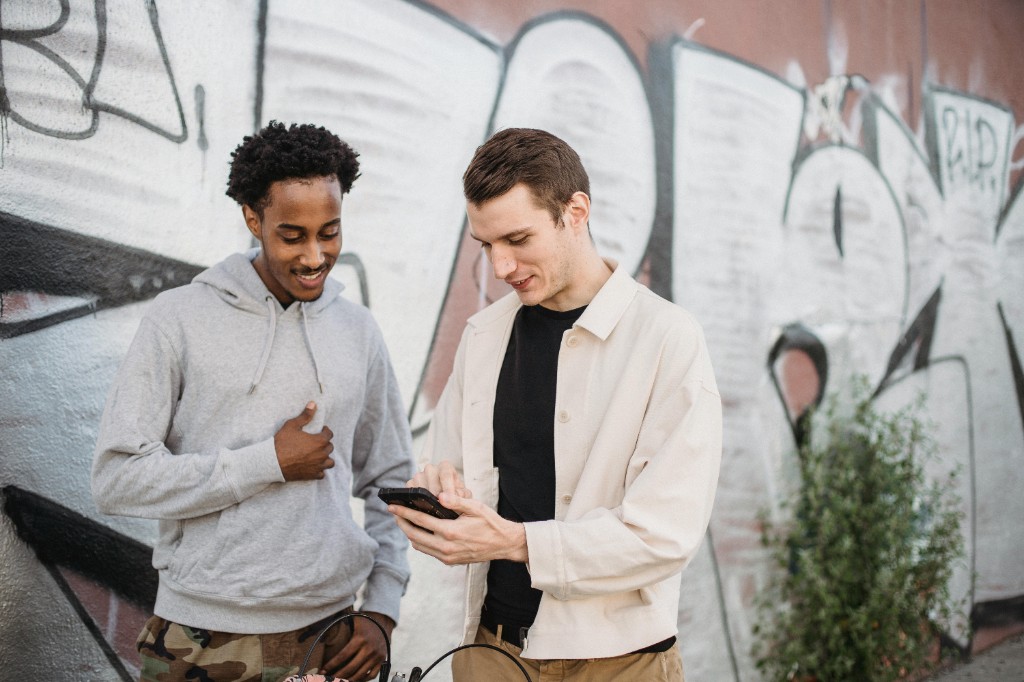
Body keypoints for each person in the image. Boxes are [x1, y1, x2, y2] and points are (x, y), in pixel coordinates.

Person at [387, 128, 723, 681]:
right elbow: (448, 466)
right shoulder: (483, 336)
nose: (499, 267)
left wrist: (517, 542)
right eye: (486, 244)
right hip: (488, 652)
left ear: (575, 211)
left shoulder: (667, 339)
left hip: (618, 663)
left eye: (518, 239)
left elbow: (665, 534)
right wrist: (441, 505)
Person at [92, 121, 413, 682]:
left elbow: (395, 479)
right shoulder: (179, 319)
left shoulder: (357, 329)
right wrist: (267, 463)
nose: (315, 256)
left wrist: (383, 607)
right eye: (293, 235)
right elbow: (117, 479)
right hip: (199, 640)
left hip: (329, 637)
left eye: (330, 232)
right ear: (252, 219)